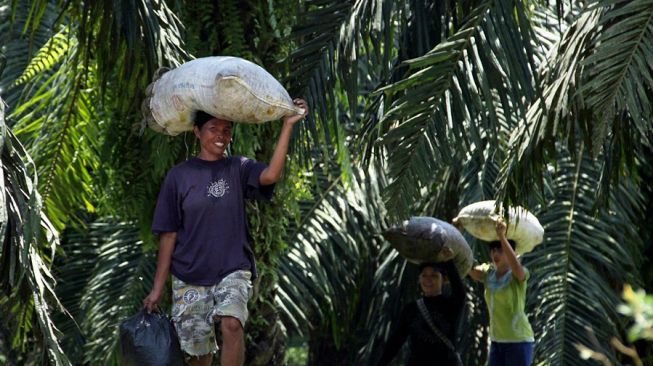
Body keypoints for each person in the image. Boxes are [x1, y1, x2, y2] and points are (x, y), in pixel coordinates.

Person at [142, 98, 308, 366]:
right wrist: (157, 290)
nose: (221, 135)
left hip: (233, 268)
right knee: (198, 354)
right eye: (213, 128)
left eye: (227, 130)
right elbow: (168, 235)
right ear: (197, 132)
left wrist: (288, 125)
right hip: (189, 274)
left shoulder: (238, 168)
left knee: (232, 324)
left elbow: (270, 176)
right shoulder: (178, 177)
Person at [379, 247, 465, 366]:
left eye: (434, 275)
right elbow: (396, 340)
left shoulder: (451, 305)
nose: (428, 280)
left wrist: (449, 261)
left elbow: (459, 292)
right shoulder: (411, 309)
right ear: (419, 279)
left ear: (443, 280)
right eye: (424, 275)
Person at [468, 220, 534, 366]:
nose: (495, 254)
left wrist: (502, 237)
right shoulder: (488, 273)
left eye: (500, 249)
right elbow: (467, 267)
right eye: (493, 250)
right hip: (497, 342)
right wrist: (457, 233)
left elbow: (516, 267)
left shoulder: (519, 274)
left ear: (513, 252)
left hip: (519, 342)